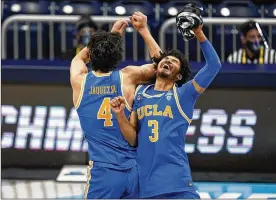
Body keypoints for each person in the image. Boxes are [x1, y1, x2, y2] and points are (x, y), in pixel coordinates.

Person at [110, 4, 221, 199]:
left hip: (177, 184)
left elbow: (214, 66)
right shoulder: (141, 93)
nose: (168, 61)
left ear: (178, 76)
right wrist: (120, 116)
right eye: (165, 59)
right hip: (145, 186)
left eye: (174, 62)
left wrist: (198, 33)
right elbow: (134, 139)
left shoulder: (184, 94)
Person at [70, 12, 161, 199]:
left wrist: (112, 37)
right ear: (118, 56)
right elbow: (161, 65)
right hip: (135, 170)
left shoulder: (80, 81)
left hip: (104, 173)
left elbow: (80, 58)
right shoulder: (127, 76)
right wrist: (143, 30)